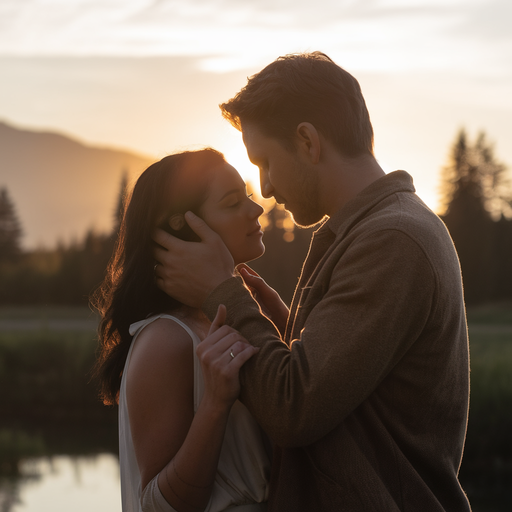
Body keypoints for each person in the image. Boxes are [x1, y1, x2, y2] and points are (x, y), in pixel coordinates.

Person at [152, 52, 471, 511]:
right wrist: (283, 328)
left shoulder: (393, 241)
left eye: (264, 161)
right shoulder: (373, 231)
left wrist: (223, 293)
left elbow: (292, 408)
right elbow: (350, 395)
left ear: (307, 141)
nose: (263, 188)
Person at [92, 149, 270, 512]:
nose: (256, 209)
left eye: (248, 196)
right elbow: (157, 505)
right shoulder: (167, 340)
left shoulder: (228, 317)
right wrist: (215, 405)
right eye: (233, 202)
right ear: (182, 225)